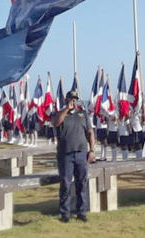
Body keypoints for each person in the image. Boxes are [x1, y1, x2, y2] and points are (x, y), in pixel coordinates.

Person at [52, 90, 95, 223]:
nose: (73, 101)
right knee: (65, 184)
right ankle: (65, 214)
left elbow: (90, 133)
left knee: (81, 183)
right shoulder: (60, 114)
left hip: (81, 153)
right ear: (66, 100)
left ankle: (81, 212)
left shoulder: (83, 115)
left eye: (75, 99)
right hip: (66, 155)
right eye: (71, 99)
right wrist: (66, 109)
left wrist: (92, 150)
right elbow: (56, 123)